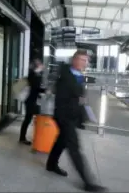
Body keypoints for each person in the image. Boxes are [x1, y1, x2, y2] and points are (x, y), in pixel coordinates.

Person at [46, 50, 107, 192]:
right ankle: (88, 182)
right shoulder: (65, 75)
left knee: (61, 141)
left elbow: (78, 95)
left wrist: (82, 110)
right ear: (74, 59)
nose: (84, 63)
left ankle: (51, 164)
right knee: (74, 148)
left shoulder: (78, 74)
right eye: (81, 59)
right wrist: (64, 117)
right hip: (64, 116)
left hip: (73, 116)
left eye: (86, 60)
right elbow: (60, 99)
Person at [19, 58, 45, 145]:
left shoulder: (35, 75)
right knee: (29, 119)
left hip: (31, 100)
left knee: (28, 119)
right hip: (30, 101)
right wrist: (45, 90)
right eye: (41, 65)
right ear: (37, 66)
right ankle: (23, 138)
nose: (43, 66)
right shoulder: (33, 75)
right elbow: (36, 88)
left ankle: (24, 137)